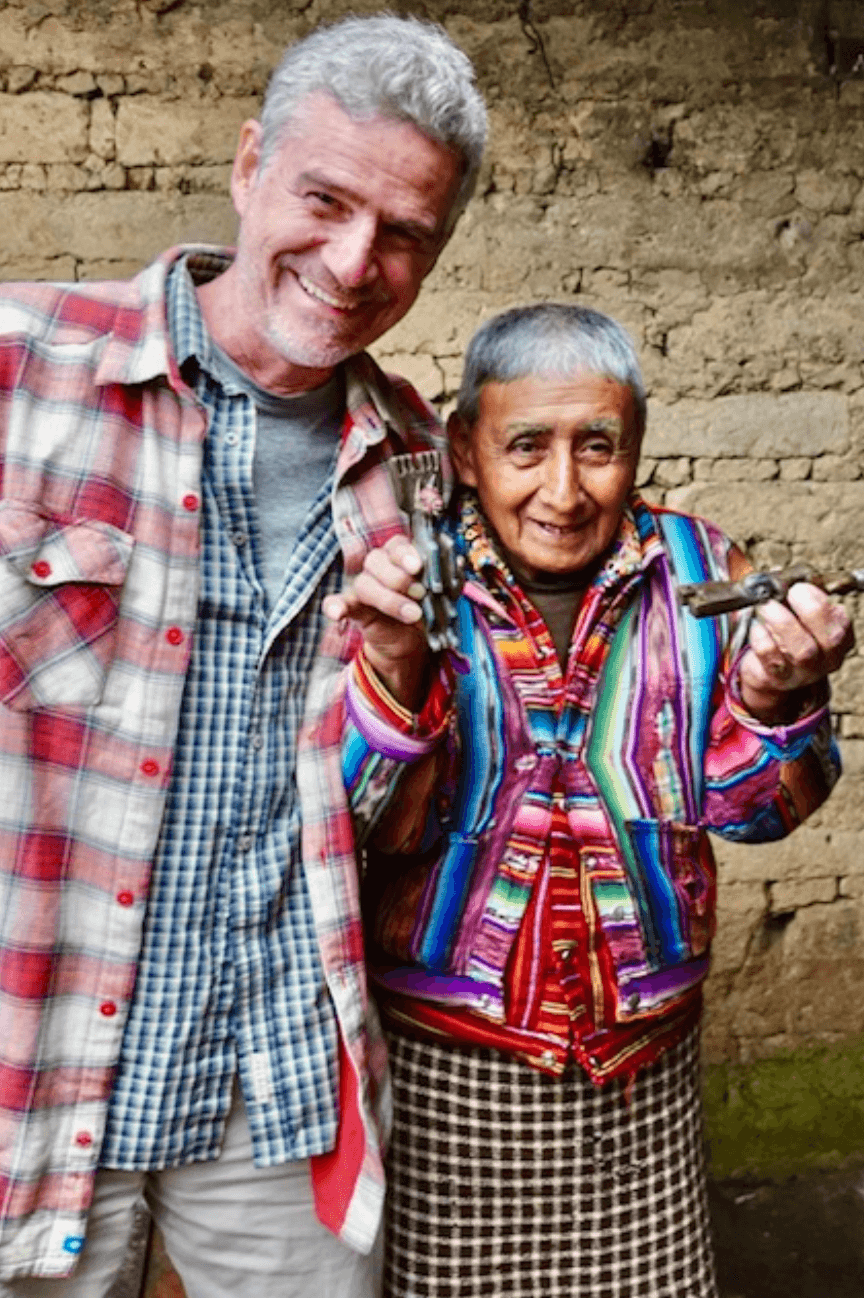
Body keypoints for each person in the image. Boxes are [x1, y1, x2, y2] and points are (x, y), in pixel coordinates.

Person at [0, 14, 487, 1296]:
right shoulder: (20, 370)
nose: (350, 260)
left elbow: (386, 816)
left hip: (273, 1074)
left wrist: (398, 669)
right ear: (248, 159)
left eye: (403, 235)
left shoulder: (423, 473)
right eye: (323, 199)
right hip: (29, 1057)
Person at [318, 303, 855, 1298]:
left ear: (635, 448)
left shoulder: (702, 574)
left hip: (639, 1082)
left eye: (596, 446)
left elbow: (761, 810)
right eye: (525, 445)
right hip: (447, 1074)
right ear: (464, 450)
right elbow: (347, 825)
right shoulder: (396, 578)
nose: (562, 489)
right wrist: (392, 669)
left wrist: (779, 697)